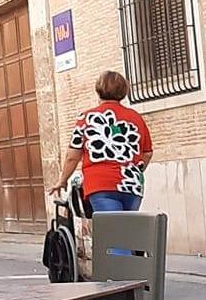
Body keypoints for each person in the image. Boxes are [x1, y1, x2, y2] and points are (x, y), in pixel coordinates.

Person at [50, 70, 154, 213]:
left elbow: (72, 157)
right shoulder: (136, 118)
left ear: (99, 90)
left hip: (101, 185)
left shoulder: (86, 118)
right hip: (132, 185)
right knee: (127, 226)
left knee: (111, 227)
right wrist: (134, 170)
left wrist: (62, 180)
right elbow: (147, 153)